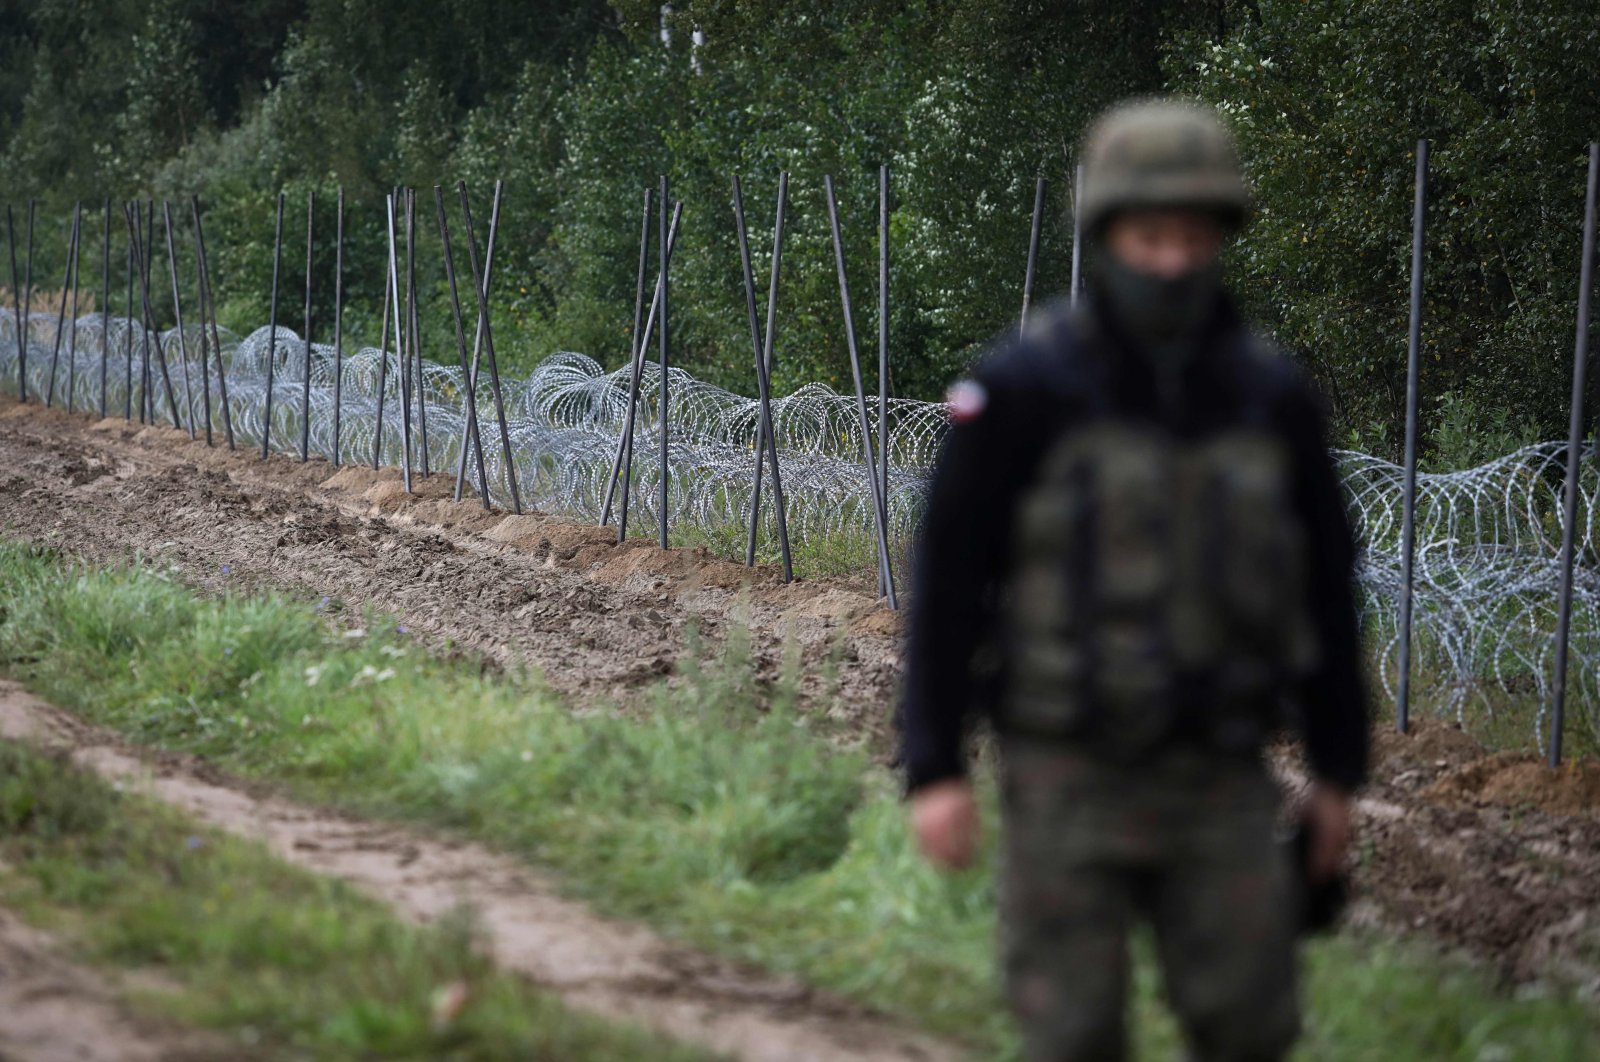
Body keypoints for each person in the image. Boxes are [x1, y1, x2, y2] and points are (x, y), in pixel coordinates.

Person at [897, 97, 1369, 1061]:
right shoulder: (1026, 388)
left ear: (1220, 240)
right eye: (1150, 236)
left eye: (1192, 237)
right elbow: (949, 584)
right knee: (1069, 1033)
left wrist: (1337, 771)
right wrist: (935, 765)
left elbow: (1324, 585)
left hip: (1222, 774)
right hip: (1066, 770)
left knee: (1249, 1025)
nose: (1170, 262)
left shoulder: (1267, 398)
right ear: (1107, 235)